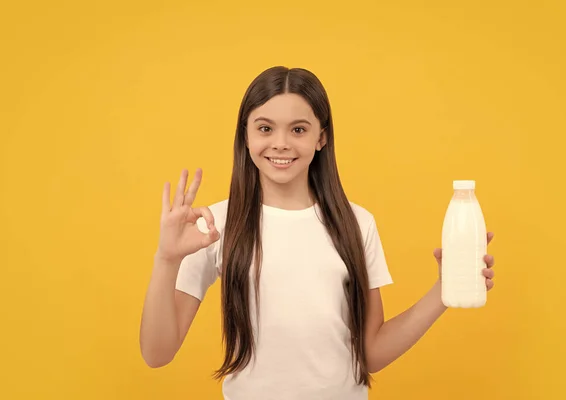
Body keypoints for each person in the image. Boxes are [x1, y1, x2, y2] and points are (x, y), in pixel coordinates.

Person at [139, 66, 496, 399]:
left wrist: (444, 291)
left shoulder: (356, 224)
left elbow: (370, 354)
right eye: (265, 128)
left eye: (298, 129)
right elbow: (157, 353)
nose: (281, 143)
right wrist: (167, 259)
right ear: (245, 136)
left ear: (321, 137)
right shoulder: (216, 224)